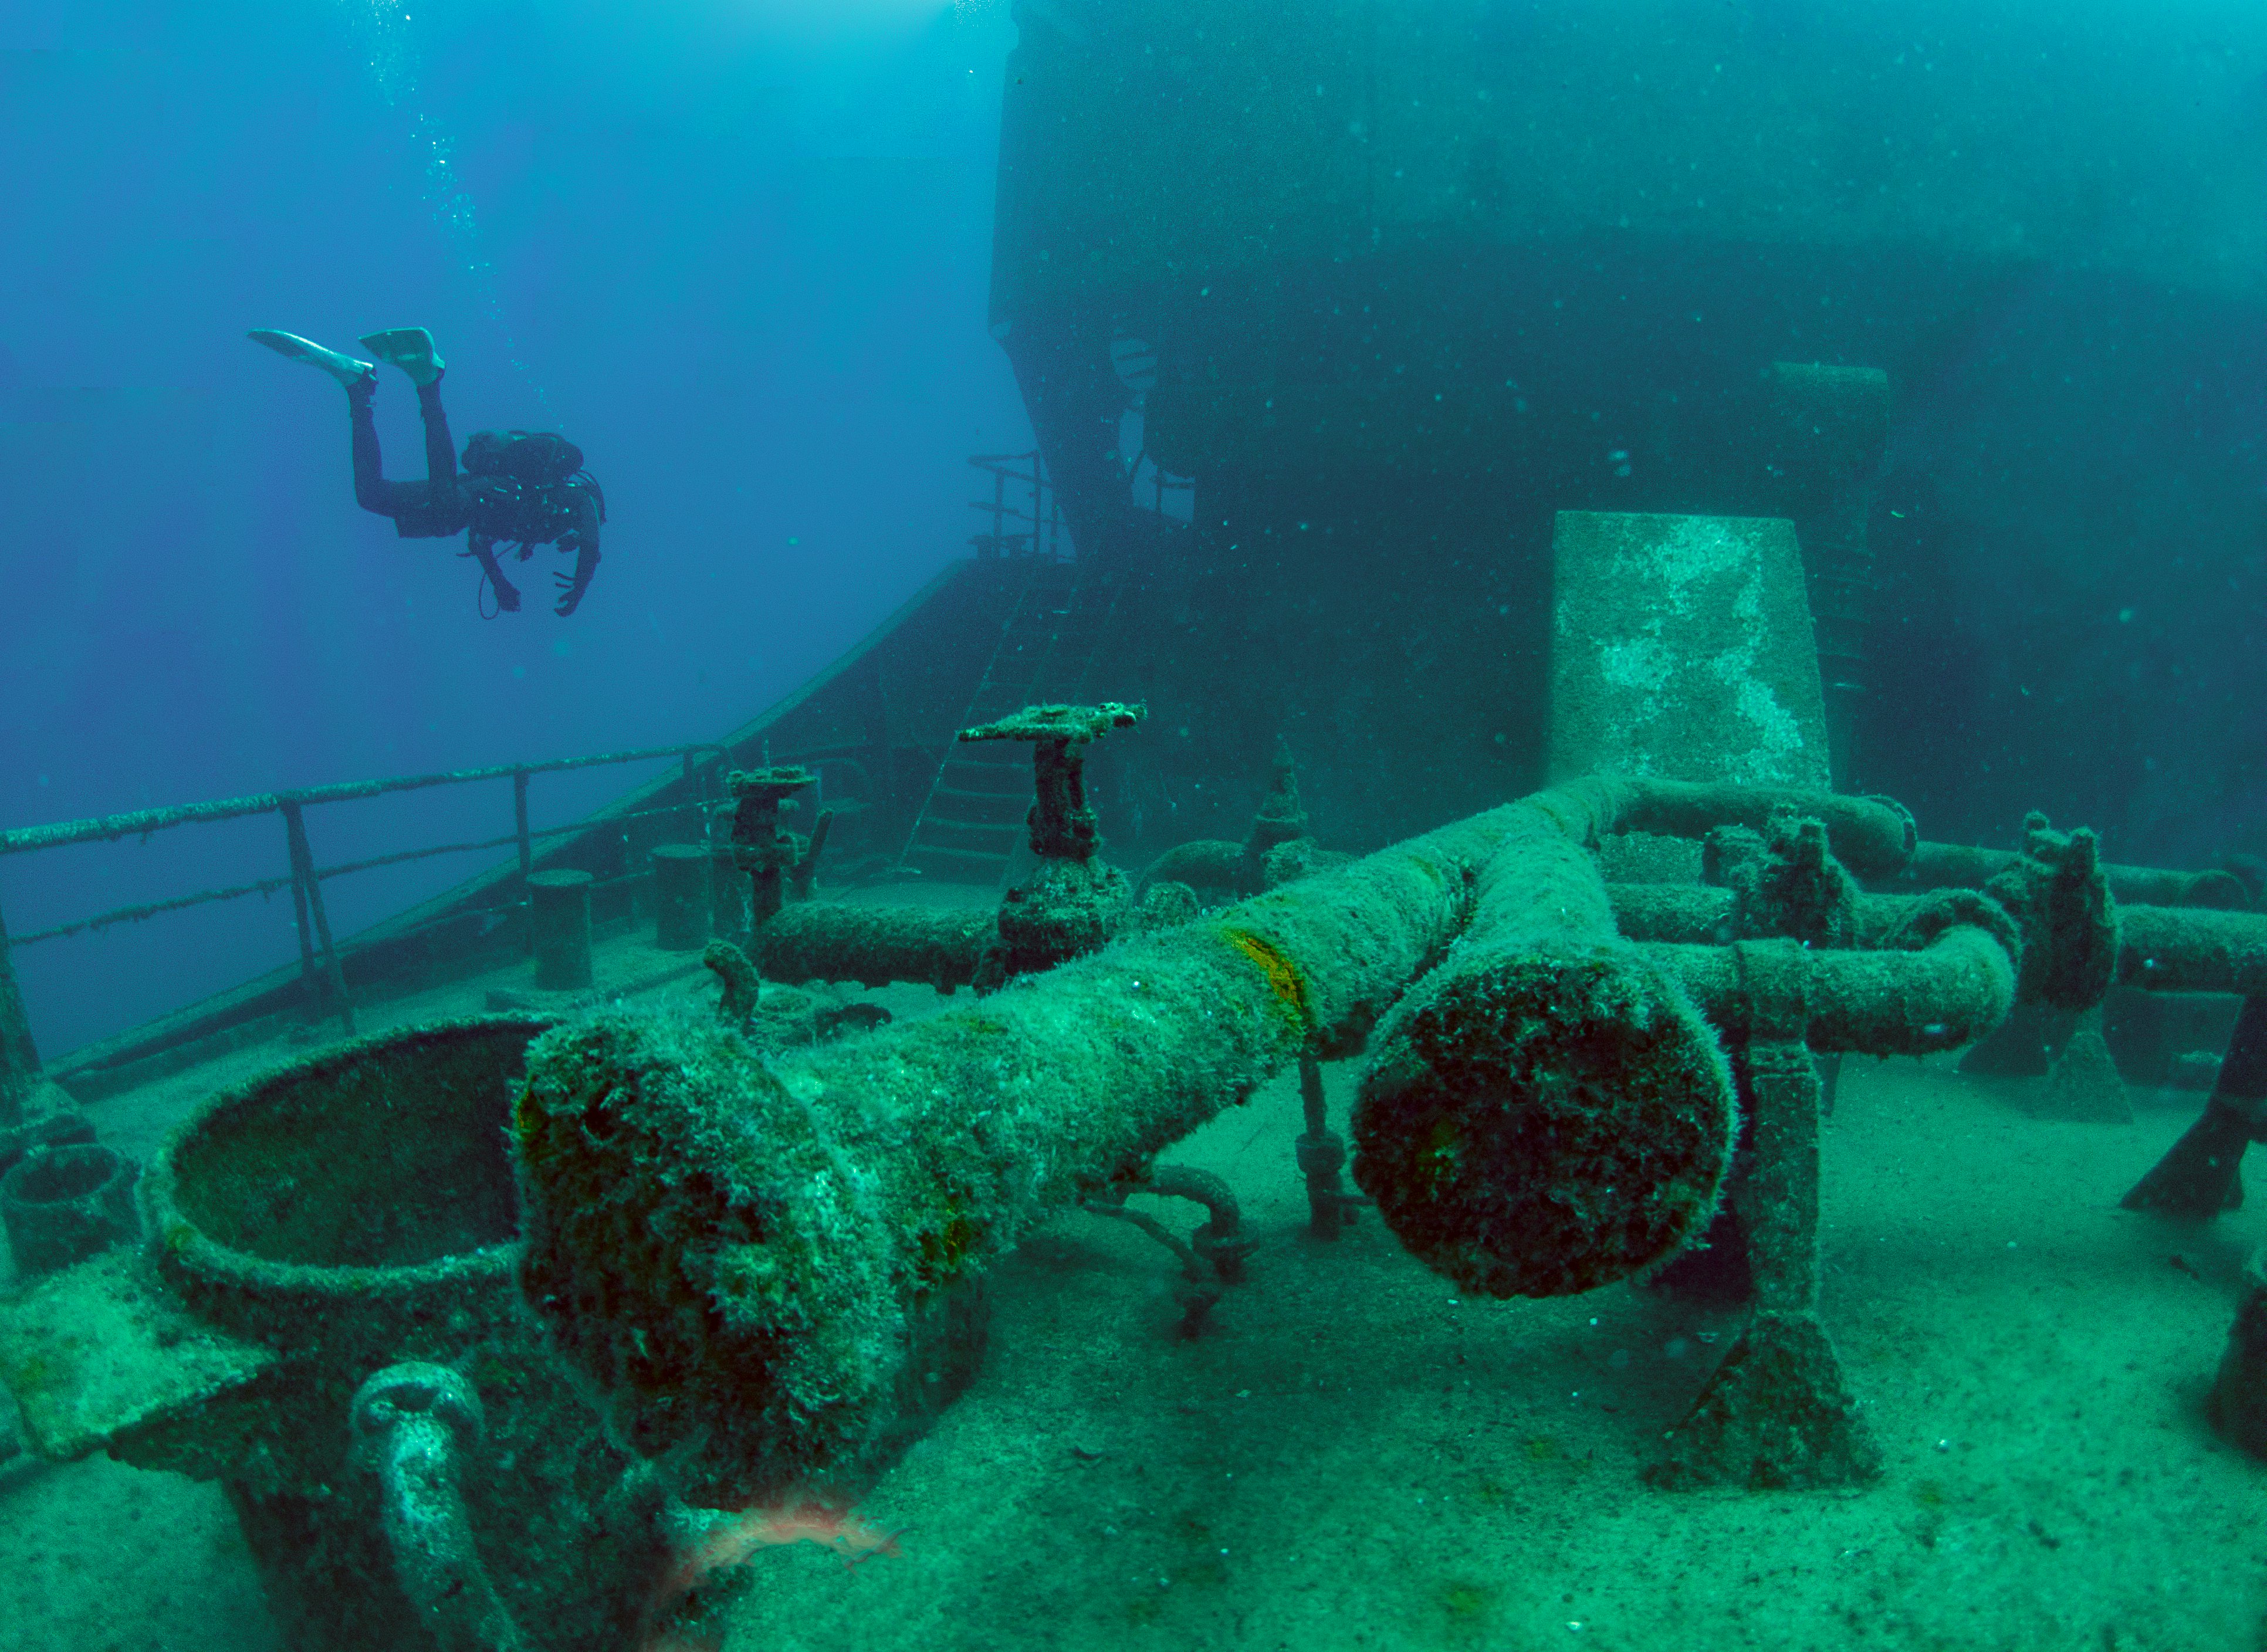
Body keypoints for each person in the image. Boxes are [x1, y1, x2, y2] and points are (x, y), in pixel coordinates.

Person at [248, 326, 604, 616]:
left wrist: (499, 582)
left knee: (372, 496)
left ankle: (358, 388)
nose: (566, 543)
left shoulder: (546, 521)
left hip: (474, 501)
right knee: (445, 496)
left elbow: (480, 539)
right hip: (485, 492)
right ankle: (428, 383)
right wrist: (578, 590)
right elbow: (590, 547)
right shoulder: (577, 502)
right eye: (571, 538)